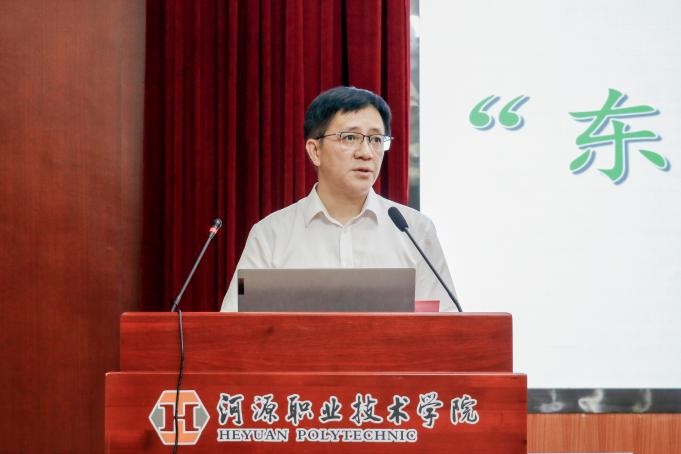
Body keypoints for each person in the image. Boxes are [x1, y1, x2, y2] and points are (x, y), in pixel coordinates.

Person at [221, 86, 457, 311]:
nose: (366, 153)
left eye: (376, 140)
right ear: (315, 151)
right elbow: (235, 323)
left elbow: (447, 325)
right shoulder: (271, 234)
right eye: (350, 138)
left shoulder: (415, 231)